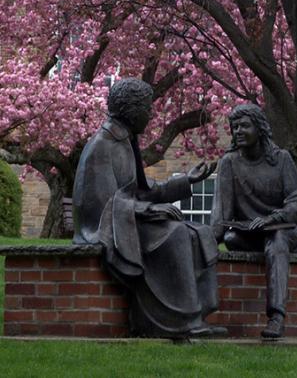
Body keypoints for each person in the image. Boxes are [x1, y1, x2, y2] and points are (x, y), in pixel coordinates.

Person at [72, 77, 226, 338]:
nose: (151, 114)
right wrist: (147, 210)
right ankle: (177, 322)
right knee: (176, 234)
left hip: (128, 220)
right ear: (131, 109)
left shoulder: (124, 141)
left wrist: (186, 180)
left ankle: (198, 313)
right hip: (108, 227)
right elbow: (105, 203)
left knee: (198, 232)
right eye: (147, 108)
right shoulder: (102, 145)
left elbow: (143, 190)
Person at [211, 104, 297, 338]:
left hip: (283, 229)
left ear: (259, 128)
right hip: (249, 234)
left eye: (244, 126)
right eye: (234, 127)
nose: (238, 131)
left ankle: (276, 316)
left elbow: (296, 204)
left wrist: (272, 219)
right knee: (232, 238)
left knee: (277, 238)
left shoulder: (282, 159)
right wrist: (206, 242)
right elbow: (221, 214)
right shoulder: (229, 163)